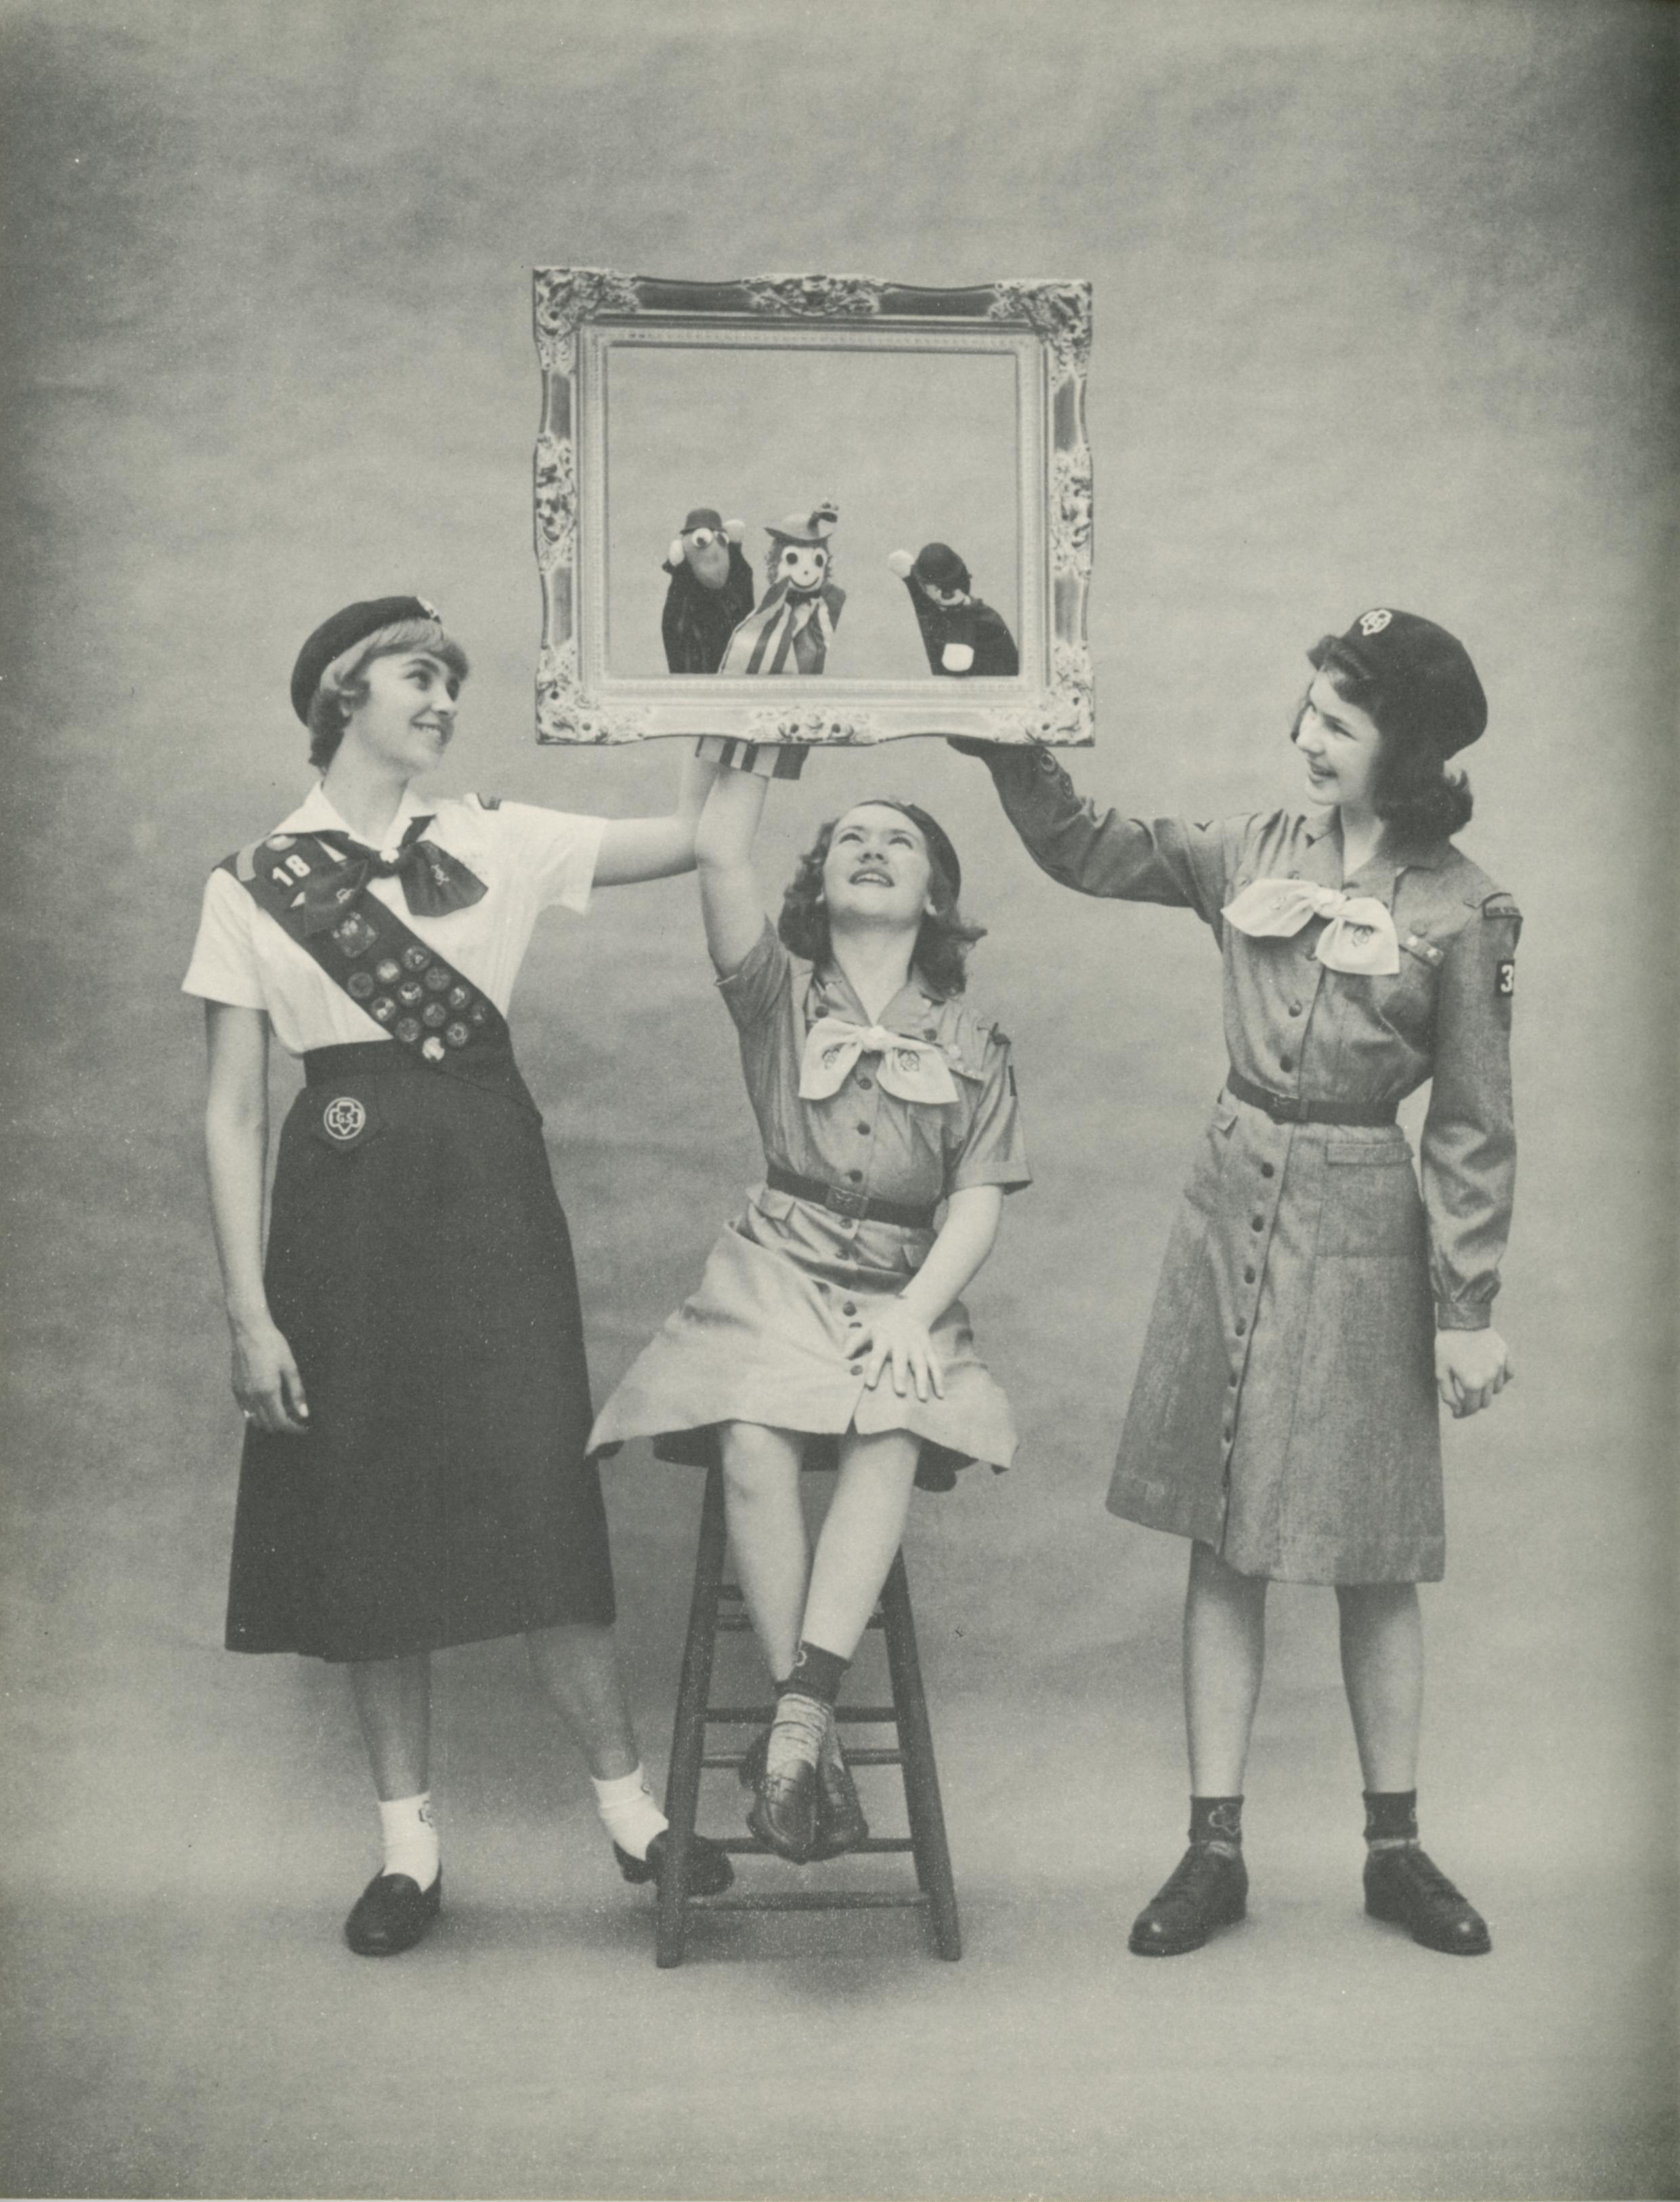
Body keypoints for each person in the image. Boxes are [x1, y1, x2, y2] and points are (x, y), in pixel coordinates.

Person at [954, 608, 1519, 1957]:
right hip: (1229, 1195)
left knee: (1374, 1548)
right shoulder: (1248, 850)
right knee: (1221, 1534)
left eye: (1338, 721)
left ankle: (1396, 1849)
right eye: (1306, 709)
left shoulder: (1467, 911)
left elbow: (1471, 1123)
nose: (1303, 736)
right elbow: (1084, 842)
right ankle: (1212, 1848)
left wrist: (1466, 1309)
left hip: (1363, 1215)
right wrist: (1004, 734)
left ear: (1408, 747)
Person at [183, 595, 733, 1957]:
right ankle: (407, 1851)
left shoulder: (498, 835)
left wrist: (730, 704)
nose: (442, 701)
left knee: (540, 1483)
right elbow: (232, 1112)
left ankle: (632, 1816)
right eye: (419, 677)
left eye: (450, 683)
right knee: (365, 1510)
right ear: (343, 694)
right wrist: (248, 1310)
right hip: (343, 1214)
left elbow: (694, 834)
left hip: (491, 1197)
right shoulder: (250, 880)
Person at [588, 754, 1030, 1861]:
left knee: (894, 1426)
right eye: (849, 839)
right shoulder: (774, 993)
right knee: (752, 1432)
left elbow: (976, 1203)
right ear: (818, 883)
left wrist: (914, 1312)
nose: (871, 848)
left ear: (934, 894)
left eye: (899, 840)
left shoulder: (974, 1042)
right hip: (774, 1267)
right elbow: (718, 848)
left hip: (902, 1283)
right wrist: (757, 727)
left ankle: (795, 1725)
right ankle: (810, 1736)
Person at [887, 543, 1019, 677]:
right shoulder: (933, 602)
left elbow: (956, 663)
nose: (923, 590)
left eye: (925, 586)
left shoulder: (980, 623)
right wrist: (911, 578)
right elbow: (921, 594)